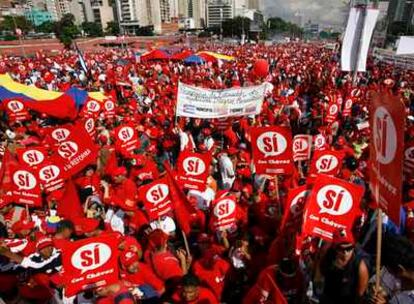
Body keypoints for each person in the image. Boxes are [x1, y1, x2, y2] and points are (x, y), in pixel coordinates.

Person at [317, 229, 369, 304]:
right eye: (341, 249)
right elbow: (321, 270)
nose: (346, 252)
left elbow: (360, 295)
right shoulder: (328, 255)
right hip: (327, 298)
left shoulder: (360, 266)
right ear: (335, 248)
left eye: (349, 248)